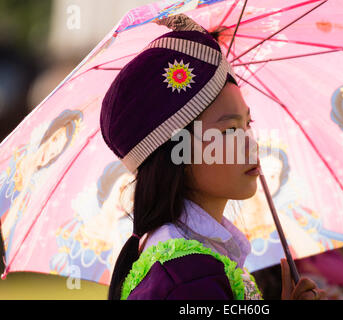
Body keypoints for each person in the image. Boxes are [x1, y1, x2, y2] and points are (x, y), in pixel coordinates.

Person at [100, 13, 326, 300]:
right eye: (230, 130)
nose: (251, 143)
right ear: (177, 151)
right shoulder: (189, 279)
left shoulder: (186, 260)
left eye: (248, 124)